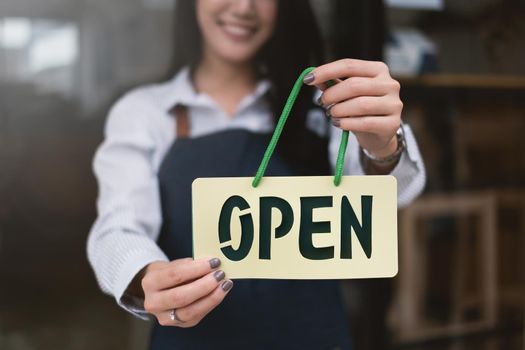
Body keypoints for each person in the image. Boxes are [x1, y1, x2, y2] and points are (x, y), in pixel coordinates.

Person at [87, 0, 426, 349]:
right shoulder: (146, 112)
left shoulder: (325, 105)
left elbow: (397, 193)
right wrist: (145, 275)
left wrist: (384, 145)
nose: (244, 7)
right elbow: (119, 227)